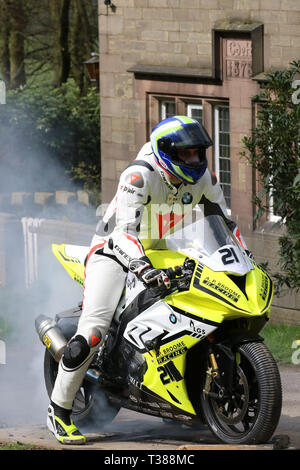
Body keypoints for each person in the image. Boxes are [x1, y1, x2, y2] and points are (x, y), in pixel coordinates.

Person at [47, 115, 247, 444]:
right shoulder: (139, 176)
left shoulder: (204, 178)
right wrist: (143, 267)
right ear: (167, 151)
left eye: (198, 153)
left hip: (165, 250)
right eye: (186, 155)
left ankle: (190, 395)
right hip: (113, 253)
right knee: (92, 333)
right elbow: (123, 235)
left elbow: (224, 223)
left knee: (198, 314)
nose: (194, 160)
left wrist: (241, 257)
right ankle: (59, 410)